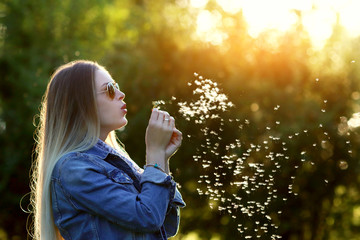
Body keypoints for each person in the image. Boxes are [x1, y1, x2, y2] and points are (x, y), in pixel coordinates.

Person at [30, 60, 185, 240]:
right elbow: (147, 217)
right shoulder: (73, 169)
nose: (121, 94)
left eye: (117, 86)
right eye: (110, 89)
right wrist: (155, 152)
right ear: (81, 104)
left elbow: (166, 225)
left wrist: (162, 158)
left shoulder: (116, 162)